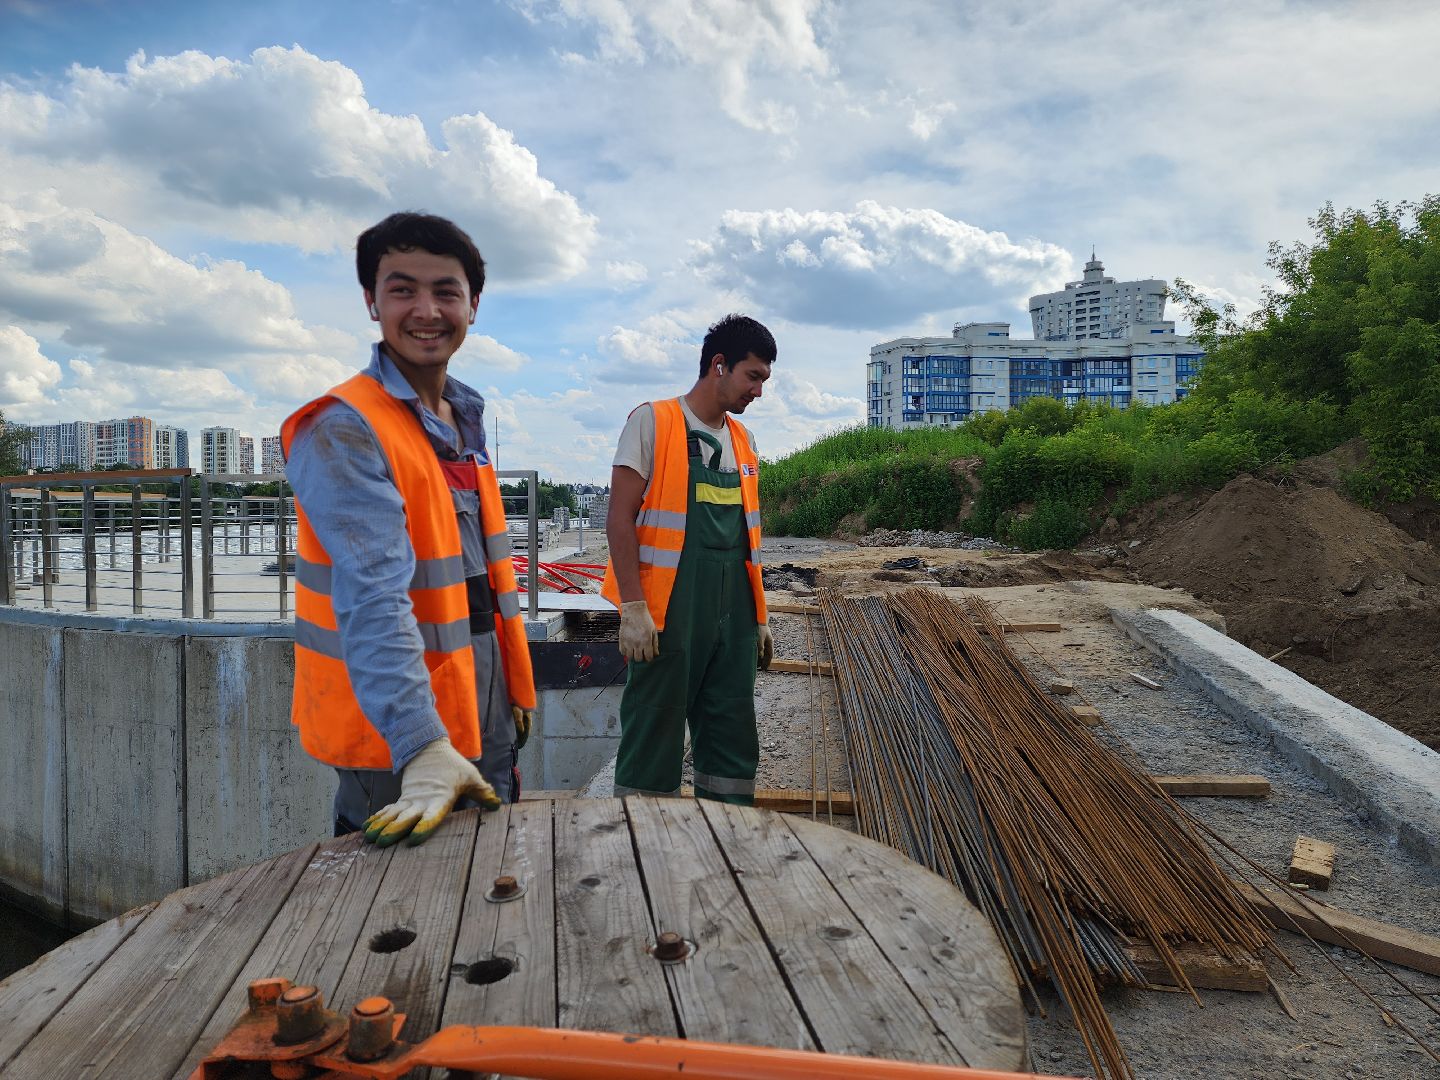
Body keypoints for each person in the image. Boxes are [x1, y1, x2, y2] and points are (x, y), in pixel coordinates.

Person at [281, 211, 535, 847]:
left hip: (483, 716)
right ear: (372, 302)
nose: (426, 310)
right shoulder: (345, 427)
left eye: (446, 291)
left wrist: (508, 687)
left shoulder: (461, 422)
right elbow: (373, 598)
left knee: (487, 877)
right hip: (400, 743)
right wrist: (421, 745)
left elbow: (475, 584)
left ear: (473, 305)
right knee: (392, 896)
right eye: (402, 290)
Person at [601, 314, 776, 804]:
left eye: (764, 379)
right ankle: (641, 832)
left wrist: (759, 617)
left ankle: (726, 828)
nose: (758, 391)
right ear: (719, 365)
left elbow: (749, 538)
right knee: (654, 727)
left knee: (731, 728)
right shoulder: (652, 422)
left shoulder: (743, 441)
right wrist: (633, 608)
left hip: (733, 615)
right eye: (753, 376)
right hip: (668, 614)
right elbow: (619, 519)